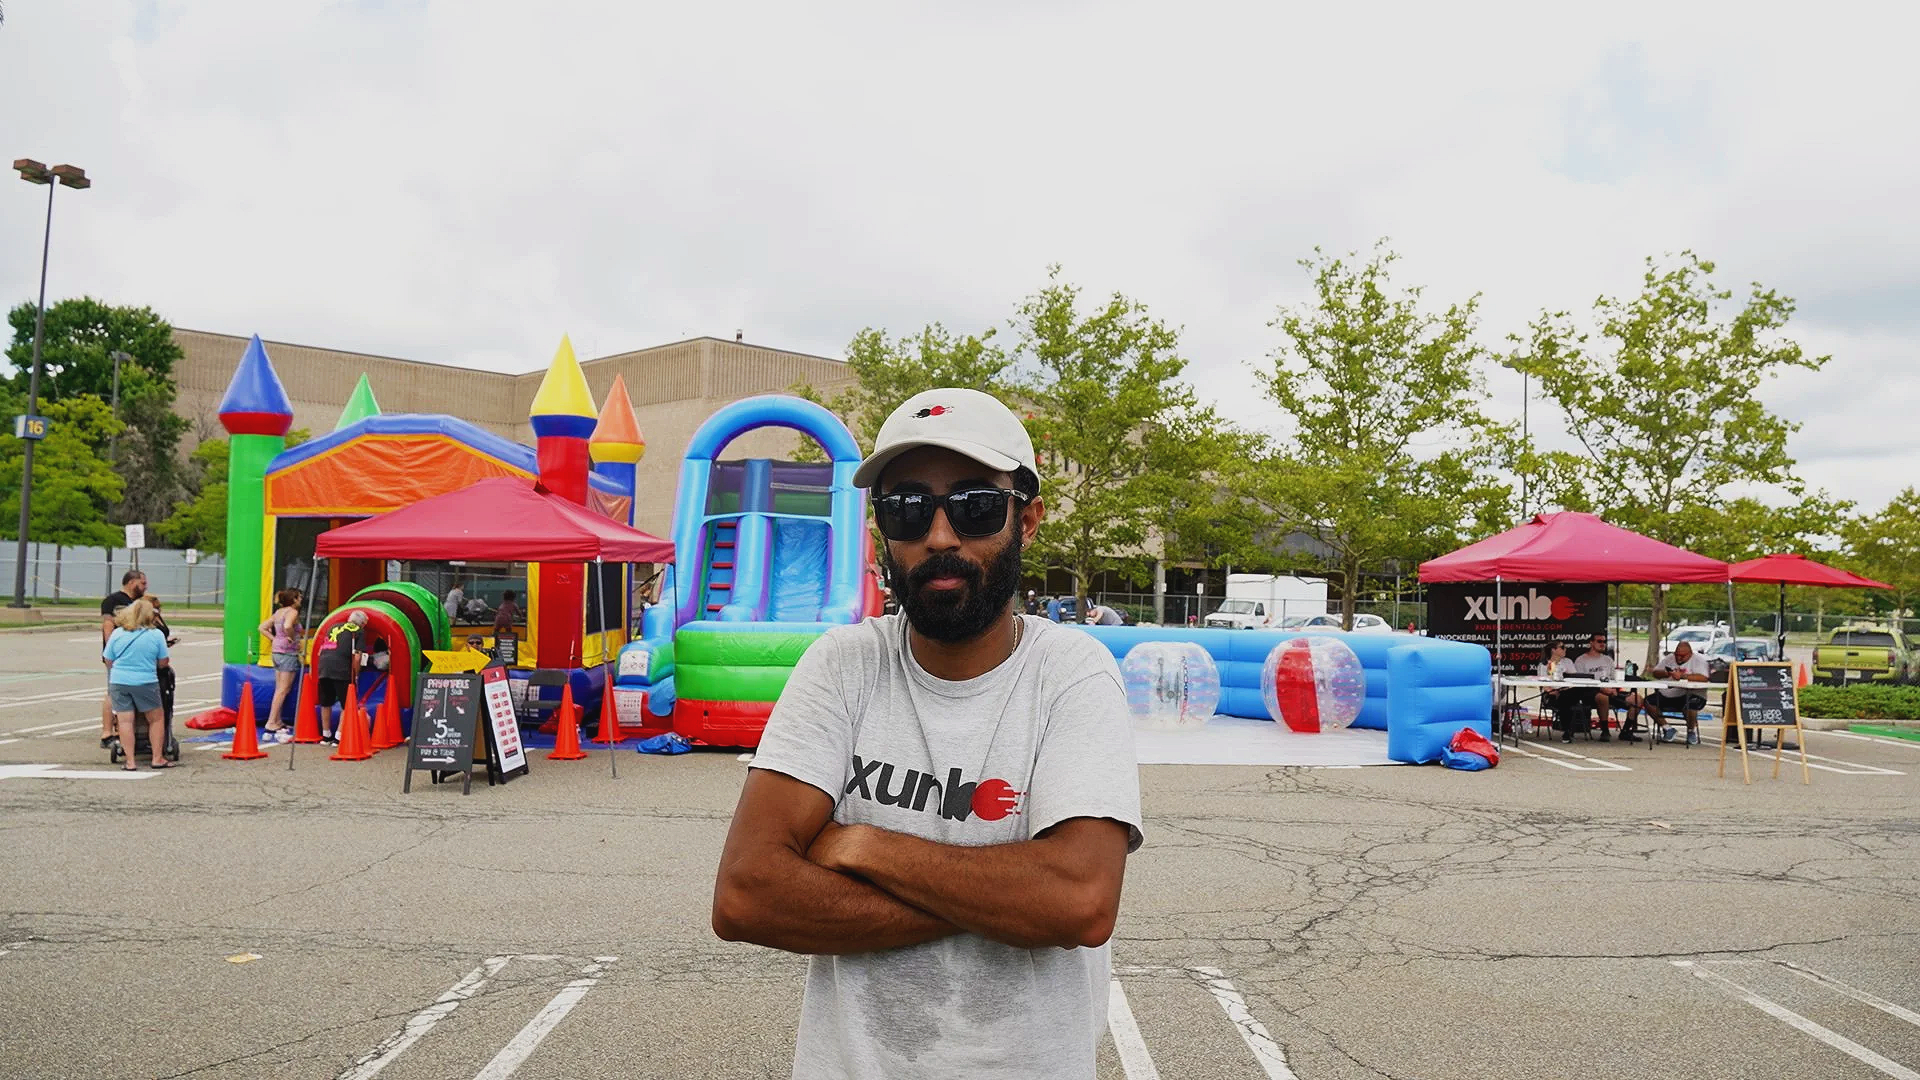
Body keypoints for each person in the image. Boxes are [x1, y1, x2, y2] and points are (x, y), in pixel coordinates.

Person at [712, 387, 1141, 1080]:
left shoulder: (1070, 674)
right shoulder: (843, 666)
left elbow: (1080, 901)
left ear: (1026, 520)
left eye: (974, 506)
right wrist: (1007, 898)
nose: (940, 537)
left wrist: (863, 844)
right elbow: (747, 895)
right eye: (908, 509)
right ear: (884, 531)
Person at [103, 598, 174, 770]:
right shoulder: (156, 635)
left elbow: (108, 659)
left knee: (125, 721)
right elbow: (163, 662)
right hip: (145, 681)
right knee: (156, 719)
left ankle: (130, 761)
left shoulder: (118, 633)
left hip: (119, 681)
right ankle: (157, 758)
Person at [99, 570, 148, 747]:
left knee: (127, 694)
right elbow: (107, 626)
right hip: (118, 655)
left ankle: (123, 729)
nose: (145, 586)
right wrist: (111, 652)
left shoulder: (139, 603)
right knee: (113, 692)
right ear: (131, 582)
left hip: (135, 654)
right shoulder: (113, 601)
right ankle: (107, 733)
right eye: (142, 583)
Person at [1634, 639, 1710, 746]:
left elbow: (1704, 678)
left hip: (1691, 694)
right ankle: (1667, 728)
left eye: (1682, 656)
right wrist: (1666, 673)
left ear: (1690, 654)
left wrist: (1683, 676)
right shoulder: (1670, 658)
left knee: (1691, 705)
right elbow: (1656, 672)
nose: (1678, 658)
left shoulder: (1699, 661)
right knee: (1648, 701)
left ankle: (1691, 731)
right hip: (1669, 694)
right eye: (1677, 655)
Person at [314, 609, 369, 744]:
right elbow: (357, 657)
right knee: (347, 704)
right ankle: (339, 737)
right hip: (341, 669)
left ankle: (326, 735)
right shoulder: (359, 631)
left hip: (324, 666)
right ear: (362, 623)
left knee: (326, 702)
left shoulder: (333, 626)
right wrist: (356, 673)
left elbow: (322, 649)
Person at [258, 588, 303, 742]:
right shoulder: (291, 612)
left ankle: (277, 721)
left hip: (277, 652)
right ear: (294, 599)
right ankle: (271, 722)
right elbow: (288, 626)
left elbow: (262, 627)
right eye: (299, 597)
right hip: (287, 653)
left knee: (280, 689)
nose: (301, 600)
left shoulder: (279, 612)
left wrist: (274, 639)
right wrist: (291, 638)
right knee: (283, 690)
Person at [1568, 633, 1619, 741]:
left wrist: (1614, 688)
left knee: (1636, 699)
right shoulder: (1581, 660)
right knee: (1603, 697)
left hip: (1610, 690)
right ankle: (1605, 730)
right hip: (1589, 692)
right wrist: (1602, 689)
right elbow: (1580, 682)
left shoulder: (1608, 660)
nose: (1602, 644)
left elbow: (1614, 678)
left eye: (1604, 642)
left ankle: (1626, 731)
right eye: (1599, 641)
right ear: (1591, 643)